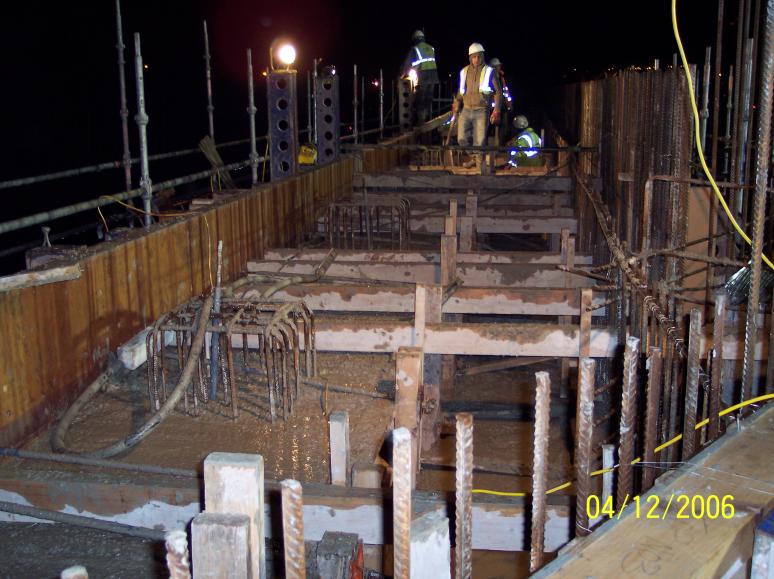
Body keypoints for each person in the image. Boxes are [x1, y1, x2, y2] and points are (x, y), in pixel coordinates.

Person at [452, 43, 502, 171]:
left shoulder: (489, 71)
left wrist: (496, 110)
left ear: (482, 56)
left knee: (479, 142)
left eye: (479, 57)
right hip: (466, 109)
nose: (476, 60)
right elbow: (461, 90)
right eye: (474, 57)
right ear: (470, 58)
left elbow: (498, 92)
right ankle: (475, 158)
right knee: (461, 139)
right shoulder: (464, 72)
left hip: (482, 110)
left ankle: (481, 169)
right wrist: (457, 102)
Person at [402, 30, 439, 126]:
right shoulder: (431, 48)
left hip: (423, 76)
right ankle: (425, 118)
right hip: (433, 76)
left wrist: (402, 75)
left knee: (420, 99)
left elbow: (407, 64)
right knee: (428, 98)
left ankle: (421, 121)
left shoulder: (415, 49)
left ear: (415, 39)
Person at [489, 57, 513, 145]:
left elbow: (506, 91)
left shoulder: (502, 78)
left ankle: (500, 146)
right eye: (498, 66)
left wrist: (509, 103)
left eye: (499, 66)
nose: (499, 67)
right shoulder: (489, 79)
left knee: (503, 127)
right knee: (490, 126)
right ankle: (489, 146)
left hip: (503, 106)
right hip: (493, 108)